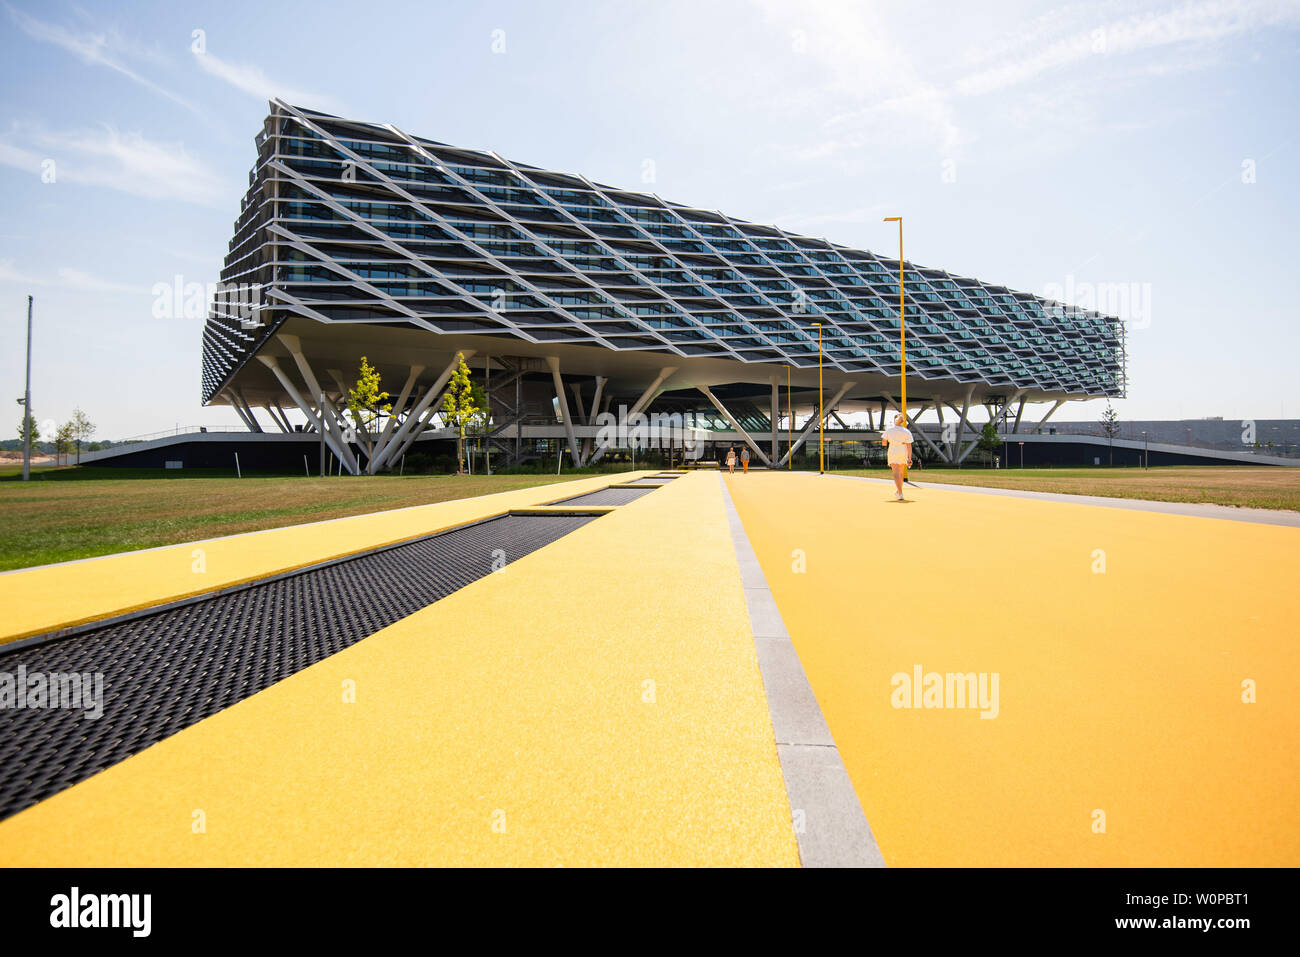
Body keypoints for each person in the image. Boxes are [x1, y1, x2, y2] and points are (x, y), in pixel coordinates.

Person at [881, 413, 913, 501]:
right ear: (902, 421)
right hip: (903, 451)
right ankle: (899, 491)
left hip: (893, 450)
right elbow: (909, 446)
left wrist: (891, 441)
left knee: (895, 472)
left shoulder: (889, 430)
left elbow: (884, 443)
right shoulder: (907, 431)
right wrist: (910, 458)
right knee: (901, 473)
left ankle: (900, 493)